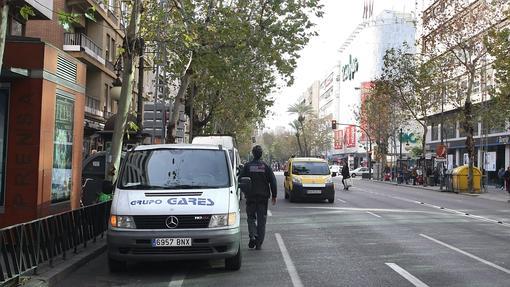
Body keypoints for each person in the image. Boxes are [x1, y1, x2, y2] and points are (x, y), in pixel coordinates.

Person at [239, 145, 277, 250]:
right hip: (263, 198)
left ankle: (253, 234)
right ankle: (259, 242)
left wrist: (243, 191)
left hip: (250, 197)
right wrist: (274, 195)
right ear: (261, 155)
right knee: (262, 220)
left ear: (252, 154)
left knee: (250, 218)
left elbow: (240, 179)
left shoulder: (247, 166)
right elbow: (273, 181)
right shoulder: (266, 167)